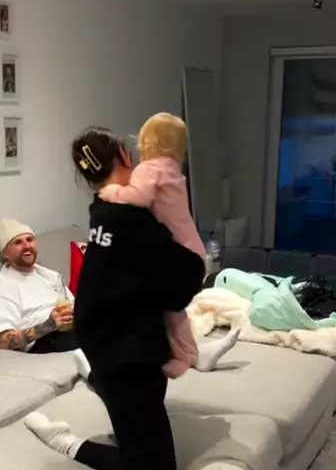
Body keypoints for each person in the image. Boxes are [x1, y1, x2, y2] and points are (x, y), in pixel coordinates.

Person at [24, 126, 204, 470]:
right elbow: (183, 280)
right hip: (123, 348)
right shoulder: (130, 219)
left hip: (108, 337)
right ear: (124, 155)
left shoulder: (103, 207)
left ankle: (98, 379)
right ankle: (66, 441)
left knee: (139, 421)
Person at [100, 113, 239, 377]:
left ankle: (183, 354)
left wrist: (111, 192)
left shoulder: (149, 169)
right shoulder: (172, 169)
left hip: (180, 256)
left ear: (148, 141)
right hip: (193, 251)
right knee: (171, 309)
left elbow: (138, 197)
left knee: (165, 309)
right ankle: (189, 353)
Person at [0, 219, 87, 360]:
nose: (26, 246)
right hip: (42, 340)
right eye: (18, 242)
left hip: (68, 329)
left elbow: (73, 305)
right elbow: (3, 341)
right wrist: (47, 325)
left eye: (29, 240)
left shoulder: (50, 275)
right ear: (5, 253)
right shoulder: (5, 286)